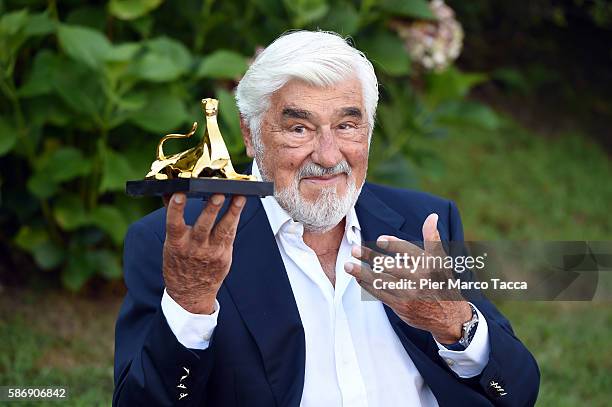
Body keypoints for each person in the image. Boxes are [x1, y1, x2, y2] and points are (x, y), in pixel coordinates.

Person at [113, 30, 539, 407]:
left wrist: (453, 322)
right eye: (299, 128)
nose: (329, 155)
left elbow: (517, 390)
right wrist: (191, 302)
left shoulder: (424, 222)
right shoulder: (183, 244)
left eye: (347, 125)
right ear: (249, 133)